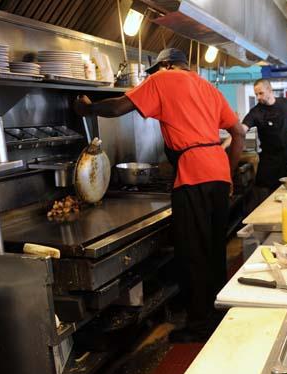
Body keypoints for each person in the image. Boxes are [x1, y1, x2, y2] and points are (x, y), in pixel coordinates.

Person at [73, 48, 246, 343]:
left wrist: (87, 108)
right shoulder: (208, 87)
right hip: (217, 173)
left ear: (165, 65)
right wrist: (228, 173)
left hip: (193, 175)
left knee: (193, 253)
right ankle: (217, 314)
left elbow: (116, 108)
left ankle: (199, 326)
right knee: (214, 250)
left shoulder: (163, 79)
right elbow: (238, 133)